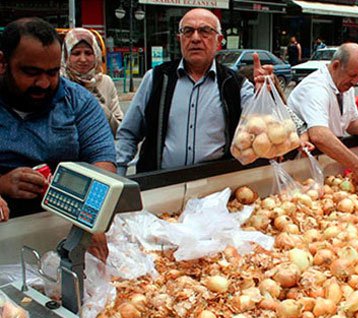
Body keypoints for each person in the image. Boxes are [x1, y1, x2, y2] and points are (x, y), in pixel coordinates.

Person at [115, 8, 273, 175]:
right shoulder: (156, 78)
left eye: (205, 31)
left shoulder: (236, 84)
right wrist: (118, 176)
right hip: (160, 185)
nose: (195, 38)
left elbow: (263, 130)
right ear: (180, 39)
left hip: (215, 187)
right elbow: (128, 134)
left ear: (218, 41)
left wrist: (264, 95)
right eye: (188, 31)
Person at [0, 18, 117, 218]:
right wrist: (3, 184)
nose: (44, 83)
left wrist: (92, 216)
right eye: (31, 72)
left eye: (52, 72)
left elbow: (103, 163)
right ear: (3, 63)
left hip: (65, 222)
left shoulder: (79, 102)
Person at [287, 43, 358, 187]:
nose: (355, 82)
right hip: (300, 166)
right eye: (352, 75)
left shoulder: (345, 85)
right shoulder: (315, 89)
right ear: (335, 66)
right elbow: (319, 136)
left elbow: (352, 124)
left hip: (328, 160)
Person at [62, 28, 123, 136]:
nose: (83, 59)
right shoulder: (59, 82)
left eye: (88, 53)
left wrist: (103, 111)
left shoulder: (105, 82)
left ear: (96, 54)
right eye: (76, 53)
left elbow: (120, 130)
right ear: (67, 56)